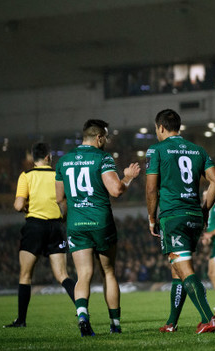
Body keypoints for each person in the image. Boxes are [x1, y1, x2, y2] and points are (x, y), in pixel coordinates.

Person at [55, 120, 141, 337]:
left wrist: (68, 218)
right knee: (108, 273)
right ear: (99, 137)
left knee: (83, 274)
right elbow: (116, 190)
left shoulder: (64, 161)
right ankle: (115, 324)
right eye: (106, 138)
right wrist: (128, 178)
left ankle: (83, 316)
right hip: (100, 223)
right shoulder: (103, 158)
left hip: (76, 224)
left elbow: (59, 199)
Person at [146, 109, 215, 334]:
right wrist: (206, 210)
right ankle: (171, 323)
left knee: (185, 269)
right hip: (194, 216)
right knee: (177, 270)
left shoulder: (156, 150)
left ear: (160, 127)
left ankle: (209, 318)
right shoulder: (198, 150)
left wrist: (152, 218)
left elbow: (151, 188)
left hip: (173, 216)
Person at [4, 143, 76, 328]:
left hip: (34, 226)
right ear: (48, 157)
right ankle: (82, 309)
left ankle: (21, 320)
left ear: (32, 158)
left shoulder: (26, 176)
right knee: (62, 275)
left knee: (25, 275)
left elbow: (19, 206)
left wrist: (29, 207)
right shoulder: (58, 175)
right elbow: (65, 204)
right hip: (55, 226)